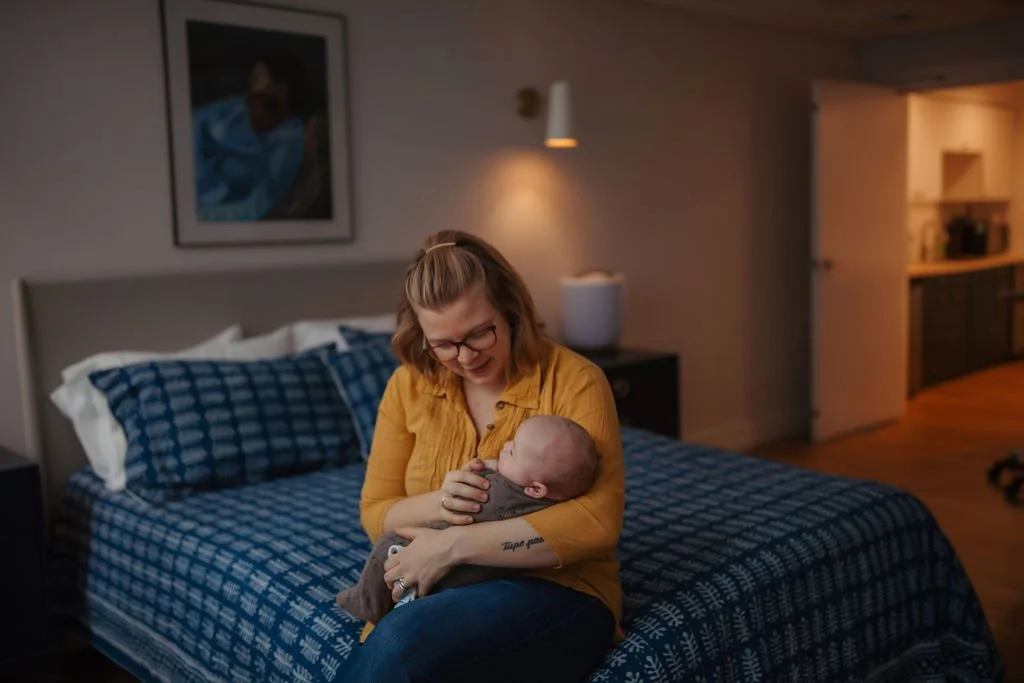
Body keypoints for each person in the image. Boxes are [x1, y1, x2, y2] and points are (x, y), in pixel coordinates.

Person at [343, 230, 625, 683]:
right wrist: (442, 501)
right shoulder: (407, 386)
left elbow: (597, 523)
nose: (466, 357)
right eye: (444, 344)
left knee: (401, 644)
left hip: (558, 586)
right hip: (437, 591)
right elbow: (375, 511)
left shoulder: (576, 380)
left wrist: (451, 546)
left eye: (479, 334)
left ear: (510, 310)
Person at [335, 415, 601, 623]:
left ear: (535, 488)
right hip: (497, 577)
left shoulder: (496, 492)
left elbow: (474, 503)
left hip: (454, 572)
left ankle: (367, 603)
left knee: (387, 545)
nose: (505, 446)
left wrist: (478, 473)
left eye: (512, 451)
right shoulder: (550, 500)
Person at [191, 51, 313, 222]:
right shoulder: (237, 108)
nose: (249, 103)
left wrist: (193, 216)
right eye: (253, 82)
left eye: (266, 102)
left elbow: (251, 210)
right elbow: (195, 124)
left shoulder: (288, 145)